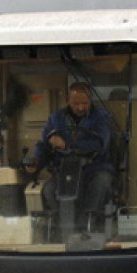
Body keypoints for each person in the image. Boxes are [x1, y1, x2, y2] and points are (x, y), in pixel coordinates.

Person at [23, 82, 115, 227]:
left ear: (91, 100)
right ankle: (63, 229)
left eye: (84, 103)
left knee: (102, 183)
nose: (80, 107)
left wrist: (67, 145)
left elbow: (100, 145)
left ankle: (86, 227)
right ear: (67, 99)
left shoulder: (101, 117)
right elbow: (43, 145)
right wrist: (36, 162)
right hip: (65, 171)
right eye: (75, 103)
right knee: (49, 189)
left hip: (95, 169)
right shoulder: (55, 118)